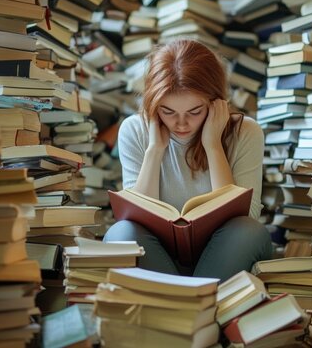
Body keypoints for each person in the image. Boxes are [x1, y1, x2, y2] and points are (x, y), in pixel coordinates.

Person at [103, 39, 272, 281]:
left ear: (216, 103)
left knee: (246, 230)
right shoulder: (134, 129)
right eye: (167, 111)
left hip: (227, 254)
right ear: (153, 105)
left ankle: (182, 304)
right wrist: (155, 150)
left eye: (195, 112)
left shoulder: (246, 132)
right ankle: (196, 304)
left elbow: (246, 216)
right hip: (159, 257)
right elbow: (135, 218)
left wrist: (213, 145)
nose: (181, 124)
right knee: (122, 233)